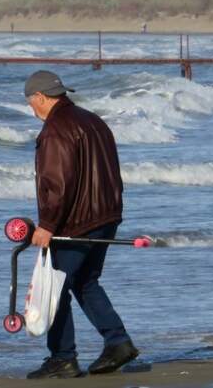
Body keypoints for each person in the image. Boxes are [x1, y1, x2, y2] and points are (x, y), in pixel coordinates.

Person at [23, 70, 137, 379]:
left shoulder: (56, 129)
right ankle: (118, 342)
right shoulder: (93, 121)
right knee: (85, 281)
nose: (32, 109)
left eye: (31, 103)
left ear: (40, 98)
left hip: (75, 222)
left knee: (55, 287)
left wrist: (47, 224)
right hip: (106, 215)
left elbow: (59, 183)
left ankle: (63, 357)